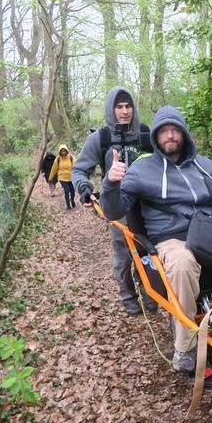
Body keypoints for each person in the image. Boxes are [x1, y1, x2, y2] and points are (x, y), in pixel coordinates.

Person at [100, 105, 212, 373]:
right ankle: (187, 347)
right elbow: (113, 211)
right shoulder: (141, 170)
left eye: (175, 130)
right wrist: (111, 182)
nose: (170, 136)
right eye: (164, 132)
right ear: (156, 137)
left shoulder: (207, 167)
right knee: (182, 263)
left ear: (184, 134)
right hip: (172, 239)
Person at [72, 86, 157, 316]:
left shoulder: (146, 134)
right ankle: (128, 295)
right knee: (123, 253)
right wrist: (84, 189)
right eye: (119, 106)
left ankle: (150, 291)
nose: (125, 111)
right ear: (112, 109)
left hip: (147, 204)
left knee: (148, 251)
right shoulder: (101, 138)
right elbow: (79, 170)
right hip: (117, 203)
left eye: (128, 106)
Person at [49, 145, 76, 211]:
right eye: (62, 151)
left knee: (72, 191)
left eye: (64, 151)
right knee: (66, 191)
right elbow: (54, 169)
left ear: (67, 151)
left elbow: (77, 166)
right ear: (59, 152)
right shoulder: (58, 159)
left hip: (70, 177)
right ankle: (68, 206)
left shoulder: (71, 157)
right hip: (62, 178)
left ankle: (72, 200)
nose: (63, 152)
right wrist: (50, 178)